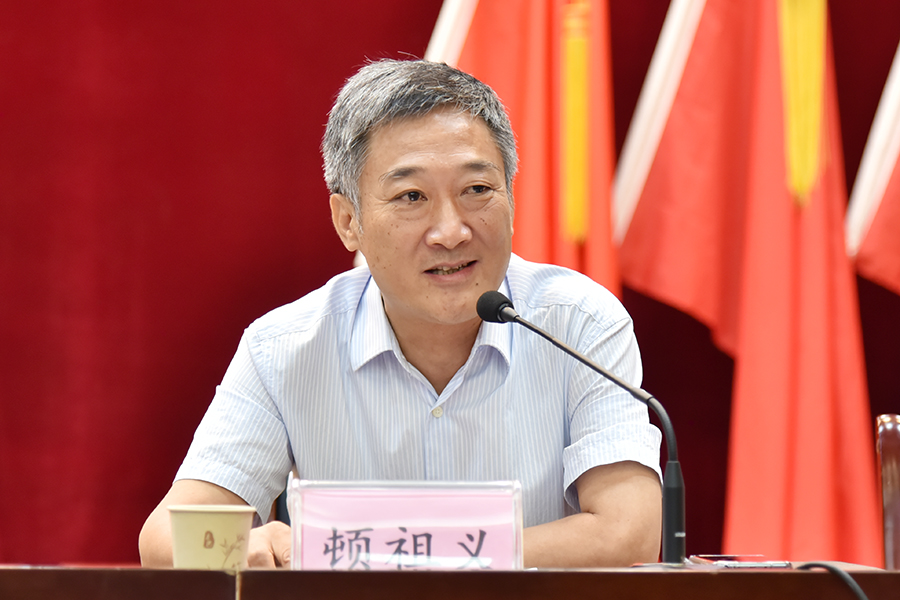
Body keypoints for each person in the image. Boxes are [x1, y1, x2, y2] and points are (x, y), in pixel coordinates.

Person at [139, 59, 662, 569]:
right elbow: (164, 539)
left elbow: (629, 533)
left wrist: (386, 551)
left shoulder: (578, 323)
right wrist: (247, 547)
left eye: (477, 190)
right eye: (411, 196)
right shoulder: (284, 347)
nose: (451, 232)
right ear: (349, 222)